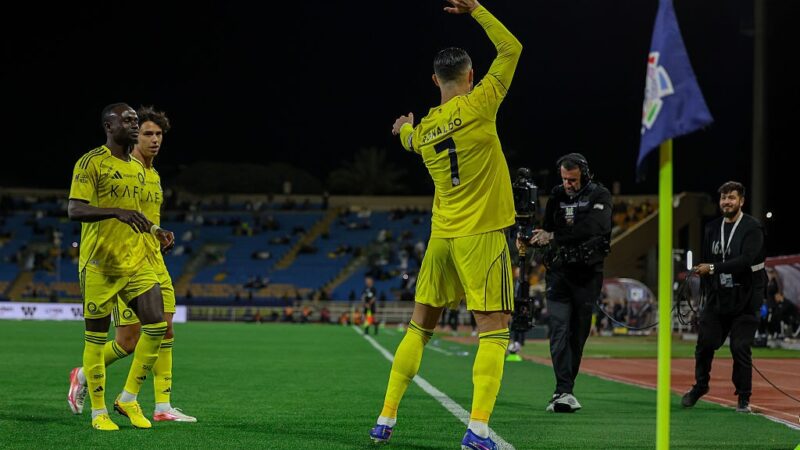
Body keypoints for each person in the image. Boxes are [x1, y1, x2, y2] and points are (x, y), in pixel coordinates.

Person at [370, 1, 521, 448]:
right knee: (494, 330)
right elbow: (511, 47)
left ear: (435, 80)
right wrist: (476, 9)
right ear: (471, 76)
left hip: (441, 238)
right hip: (482, 235)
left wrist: (401, 130)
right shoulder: (481, 103)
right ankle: (476, 429)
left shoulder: (429, 128)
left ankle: (386, 419)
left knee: (419, 327)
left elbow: (411, 141)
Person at [67, 106, 196, 423]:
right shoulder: (105, 164)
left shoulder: (151, 175)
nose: (152, 139)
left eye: (157, 134)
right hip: (114, 261)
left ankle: (160, 405)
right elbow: (98, 211)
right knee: (128, 340)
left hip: (150, 258)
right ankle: (83, 376)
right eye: (145, 132)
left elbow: (144, 218)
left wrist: (158, 233)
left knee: (163, 327)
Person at [526, 153, 612, 413]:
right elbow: (547, 228)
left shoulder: (601, 195)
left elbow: (595, 228)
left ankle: (564, 389)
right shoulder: (556, 195)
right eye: (564, 179)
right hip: (560, 273)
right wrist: (540, 238)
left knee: (578, 336)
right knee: (559, 331)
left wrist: (554, 235)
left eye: (572, 180)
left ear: (584, 175)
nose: (568, 184)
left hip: (587, 276)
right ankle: (563, 390)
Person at [681, 181, 767, 413]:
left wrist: (712, 269)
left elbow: (745, 261)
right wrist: (706, 290)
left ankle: (743, 397)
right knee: (704, 343)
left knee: (740, 347)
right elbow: (709, 259)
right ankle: (700, 386)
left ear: (741, 201)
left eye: (731, 197)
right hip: (719, 296)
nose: (726, 202)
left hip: (747, 296)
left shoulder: (752, 227)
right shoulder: (711, 227)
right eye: (723, 198)